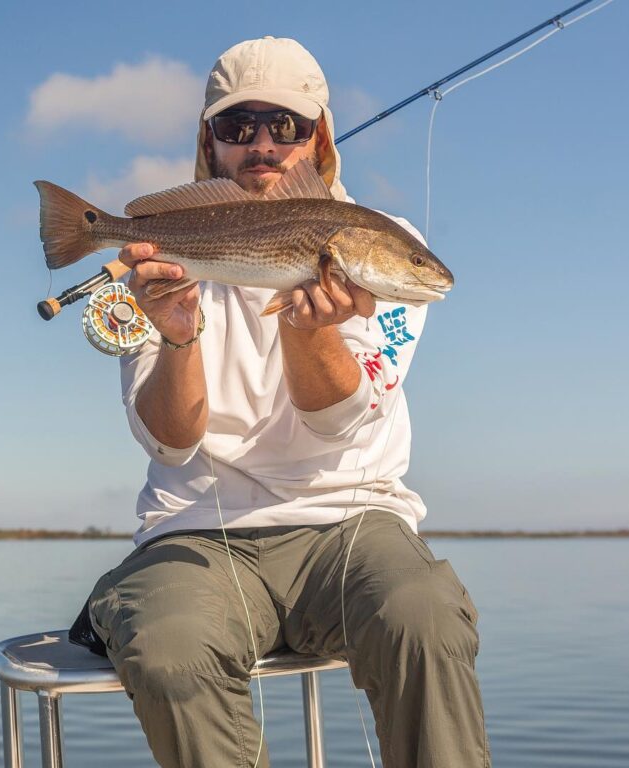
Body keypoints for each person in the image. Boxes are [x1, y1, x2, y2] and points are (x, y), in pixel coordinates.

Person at [88, 36, 490, 768]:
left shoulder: (386, 246)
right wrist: (178, 335)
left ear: (321, 137)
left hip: (351, 524)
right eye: (239, 127)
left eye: (285, 124)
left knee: (424, 617)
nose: (263, 144)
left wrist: (310, 332)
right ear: (208, 144)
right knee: (169, 646)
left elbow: (339, 421)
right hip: (197, 535)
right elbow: (171, 444)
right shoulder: (157, 258)